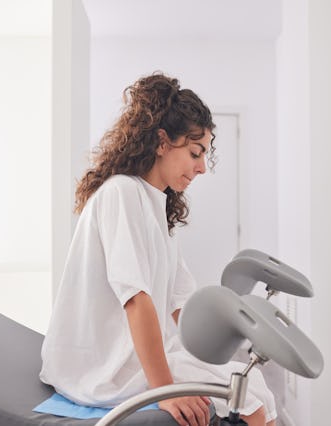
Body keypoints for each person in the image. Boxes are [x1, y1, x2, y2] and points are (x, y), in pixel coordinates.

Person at [40, 73, 276, 426]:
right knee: (250, 401)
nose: (201, 168)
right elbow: (137, 300)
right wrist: (166, 389)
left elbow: (183, 305)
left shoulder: (156, 208)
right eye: (195, 153)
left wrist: (231, 341)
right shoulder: (121, 194)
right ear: (162, 142)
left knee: (252, 383)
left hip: (135, 353)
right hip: (102, 365)